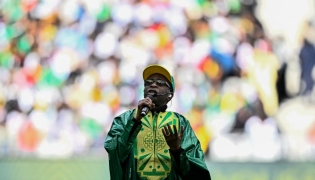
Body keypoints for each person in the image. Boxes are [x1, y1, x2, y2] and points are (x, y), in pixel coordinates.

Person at [104, 64, 211, 180]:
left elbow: (195, 170)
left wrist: (177, 150)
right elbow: (115, 153)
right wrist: (135, 121)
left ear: (170, 95)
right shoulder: (124, 119)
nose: (153, 84)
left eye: (160, 83)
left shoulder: (181, 123)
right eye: (148, 83)